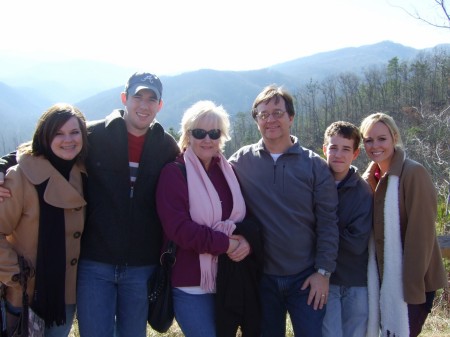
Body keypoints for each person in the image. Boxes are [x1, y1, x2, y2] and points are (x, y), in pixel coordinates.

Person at [0, 72, 180, 337]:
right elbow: (42, 147)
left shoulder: (166, 146)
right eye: (137, 97)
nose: (144, 105)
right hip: (94, 263)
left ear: (160, 105)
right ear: (124, 99)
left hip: (141, 266)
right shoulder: (94, 134)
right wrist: (3, 164)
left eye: (152, 99)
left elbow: (189, 170)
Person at [228, 85, 339, 337]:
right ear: (256, 120)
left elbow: (328, 223)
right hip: (262, 278)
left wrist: (323, 272)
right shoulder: (241, 162)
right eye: (263, 114)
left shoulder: (314, 166)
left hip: (306, 277)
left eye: (277, 112)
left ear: (291, 117)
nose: (270, 120)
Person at [156, 100, 263, 337]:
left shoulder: (229, 172)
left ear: (221, 136)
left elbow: (247, 218)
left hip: (228, 280)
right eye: (199, 132)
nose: (207, 139)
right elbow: (180, 230)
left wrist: (246, 242)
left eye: (214, 133)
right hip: (191, 284)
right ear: (187, 135)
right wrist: (227, 244)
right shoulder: (174, 173)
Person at [0, 103, 88, 337]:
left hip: (63, 294)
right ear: (44, 136)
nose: (67, 139)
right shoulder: (19, 177)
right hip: (25, 295)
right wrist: (15, 276)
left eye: (74, 132)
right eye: (58, 133)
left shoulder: (82, 173)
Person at [360, 112, 447, 337]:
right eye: (368, 140)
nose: (374, 145)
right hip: (381, 278)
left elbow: (421, 236)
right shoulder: (369, 179)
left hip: (414, 283)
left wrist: (411, 289)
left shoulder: (412, 173)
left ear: (394, 137)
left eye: (381, 138)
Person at [321, 121, 373, 337]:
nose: (338, 155)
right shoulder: (315, 185)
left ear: (356, 153)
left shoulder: (363, 191)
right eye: (333, 148)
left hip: (355, 281)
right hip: (325, 280)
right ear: (324, 149)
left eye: (346, 149)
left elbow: (356, 243)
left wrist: (321, 234)